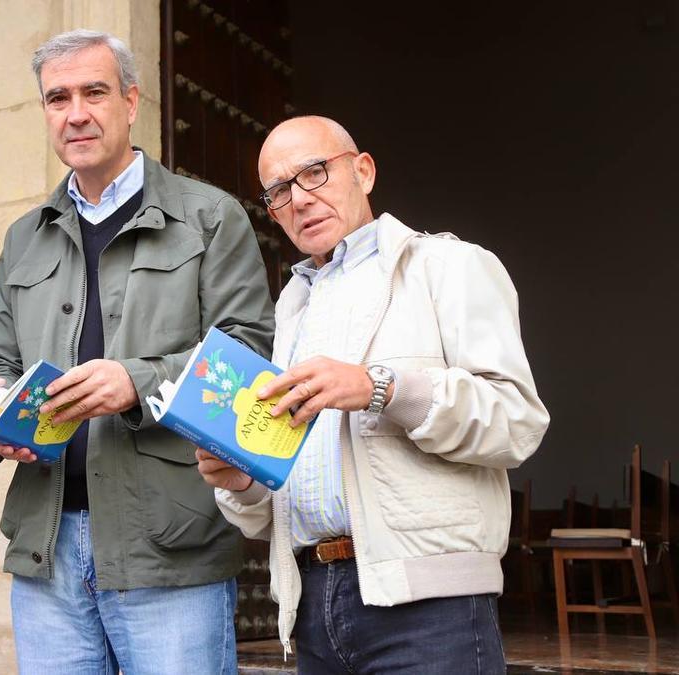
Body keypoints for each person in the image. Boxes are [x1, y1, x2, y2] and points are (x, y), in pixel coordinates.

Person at [0, 29, 275, 674]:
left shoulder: (210, 216)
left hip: (169, 546)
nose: (75, 112)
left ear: (132, 102)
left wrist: (138, 382)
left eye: (94, 92)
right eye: (57, 98)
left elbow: (247, 358)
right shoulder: (25, 236)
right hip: (45, 546)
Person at [199, 115, 550, 674]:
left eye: (314, 173)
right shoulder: (289, 310)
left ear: (363, 171)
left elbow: (517, 422)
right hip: (311, 601)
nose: (300, 199)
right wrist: (241, 478)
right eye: (279, 190)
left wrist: (380, 387)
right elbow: (272, 503)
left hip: (430, 607)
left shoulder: (448, 266)